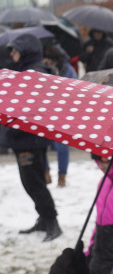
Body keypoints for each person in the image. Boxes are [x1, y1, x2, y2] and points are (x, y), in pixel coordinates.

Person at [5, 33, 61, 240]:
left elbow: (29, 109)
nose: (12, 53)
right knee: (34, 181)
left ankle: (52, 222)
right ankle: (44, 219)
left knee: (33, 183)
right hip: (26, 138)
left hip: (28, 138)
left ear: (26, 50)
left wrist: (11, 129)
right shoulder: (26, 71)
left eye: (15, 49)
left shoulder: (32, 73)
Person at [42, 43, 77, 188]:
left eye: (48, 59)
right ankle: (45, 172)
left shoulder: (67, 70)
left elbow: (75, 88)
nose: (45, 62)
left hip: (62, 112)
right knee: (41, 144)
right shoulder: (42, 68)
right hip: (45, 111)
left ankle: (62, 177)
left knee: (61, 146)